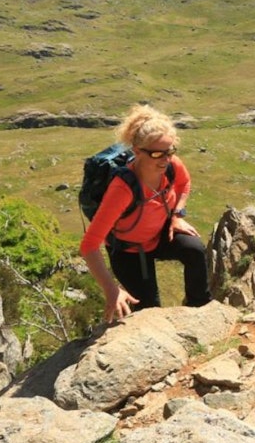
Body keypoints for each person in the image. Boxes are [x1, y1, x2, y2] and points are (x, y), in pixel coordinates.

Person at [80, 104, 211, 322]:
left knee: (194, 249)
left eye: (170, 151)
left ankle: (200, 309)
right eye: (157, 153)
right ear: (138, 151)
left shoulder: (170, 165)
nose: (165, 159)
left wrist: (177, 215)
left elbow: (184, 183)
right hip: (129, 252)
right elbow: (89, 246)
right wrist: (112, 290)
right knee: (150, 312)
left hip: (159, 235)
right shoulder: (122, 189)